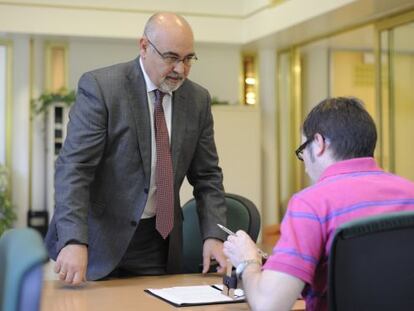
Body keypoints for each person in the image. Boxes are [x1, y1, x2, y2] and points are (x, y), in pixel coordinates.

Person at [45, 12, 228, 285]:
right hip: (96, 240)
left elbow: (207, 176)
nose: (181, 69)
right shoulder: (102, 88)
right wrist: (73, 239)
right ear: (144, 47)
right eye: (171, 57)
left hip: (158, 241)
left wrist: (214, 234)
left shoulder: (197, 100)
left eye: (188, 58)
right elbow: (74, 169)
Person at [223, 97, 414, 311]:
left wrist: (248, 261)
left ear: (319, 143)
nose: (304, 164)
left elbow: (269, 305)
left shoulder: (311, 204)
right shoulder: (410, 193)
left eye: (302, 150)